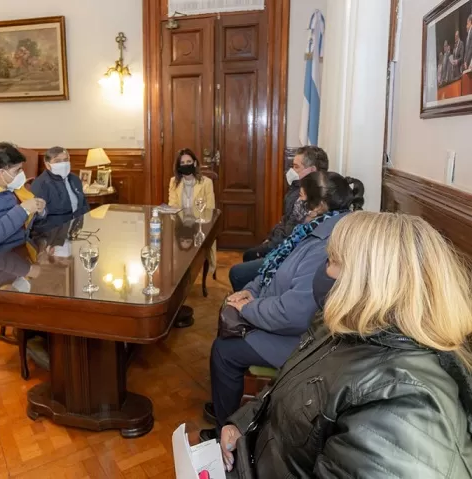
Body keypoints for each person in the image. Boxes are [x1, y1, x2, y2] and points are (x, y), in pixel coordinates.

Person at [218, 212, 472, 477]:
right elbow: (289, 389)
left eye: (331, 260)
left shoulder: (404, 402)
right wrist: (244, 424)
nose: (322, 270)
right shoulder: (339, 329)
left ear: (367, 281)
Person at [201, 171, 365, 440]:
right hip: (280, 314)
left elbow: (295, 314)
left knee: (224, 350)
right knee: (228, 327)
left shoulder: (326, 243)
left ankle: (225, 433)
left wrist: (247, 309)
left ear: (319, 205)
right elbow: (273, 271)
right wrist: (248, 292)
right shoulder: (315, 228)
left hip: (303, 339)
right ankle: (228, 403)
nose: (294, 202)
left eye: (300, 197)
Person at [228, 146, 329, 292]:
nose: (291, 171)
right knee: (250, 256)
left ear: (312, 170)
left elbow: (291, 234)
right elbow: (284, 220)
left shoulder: (311, 199)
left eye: (296, 167)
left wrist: (270, 244)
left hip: (290, 254)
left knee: (239, 269)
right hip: (283, 245)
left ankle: (253, 299)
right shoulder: (296, 189)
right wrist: (270, 237)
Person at [167, 149, 216, 327]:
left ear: (195, 163)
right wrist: (182, 222)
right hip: (179, 227)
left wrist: (194, 222)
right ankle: (175, 289)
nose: (186, 166)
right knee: (172, 253)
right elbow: (172, 206)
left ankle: (187, 283)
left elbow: (210, 208)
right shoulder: (174, 182)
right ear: (179, 166)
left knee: (192, 252)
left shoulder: (206, 182)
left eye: (189, 162)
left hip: (199, 226)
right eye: (183, 163)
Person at [31, 146, 89, 217]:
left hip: (78, 224)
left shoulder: (75, 179)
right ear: (48, 165)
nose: (63, 164)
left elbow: (84, 205)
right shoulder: (41, 184)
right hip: (54, 226)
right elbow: (37, 216)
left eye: (65, 160)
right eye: (57, 161)